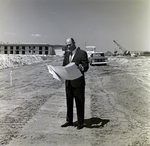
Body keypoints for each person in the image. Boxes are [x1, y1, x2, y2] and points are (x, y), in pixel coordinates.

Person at [61, 38, 89, 130]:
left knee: (79, 103)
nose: (68, 47)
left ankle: (80, 122)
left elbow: (86, 67)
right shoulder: (66, 54)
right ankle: (69, 121)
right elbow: (64, 66)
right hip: (68, 82)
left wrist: (82, 67)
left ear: (74, 43)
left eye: (69, 45)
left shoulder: (82, 53)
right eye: (67, 45)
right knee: (69, 102)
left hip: (78, 83)